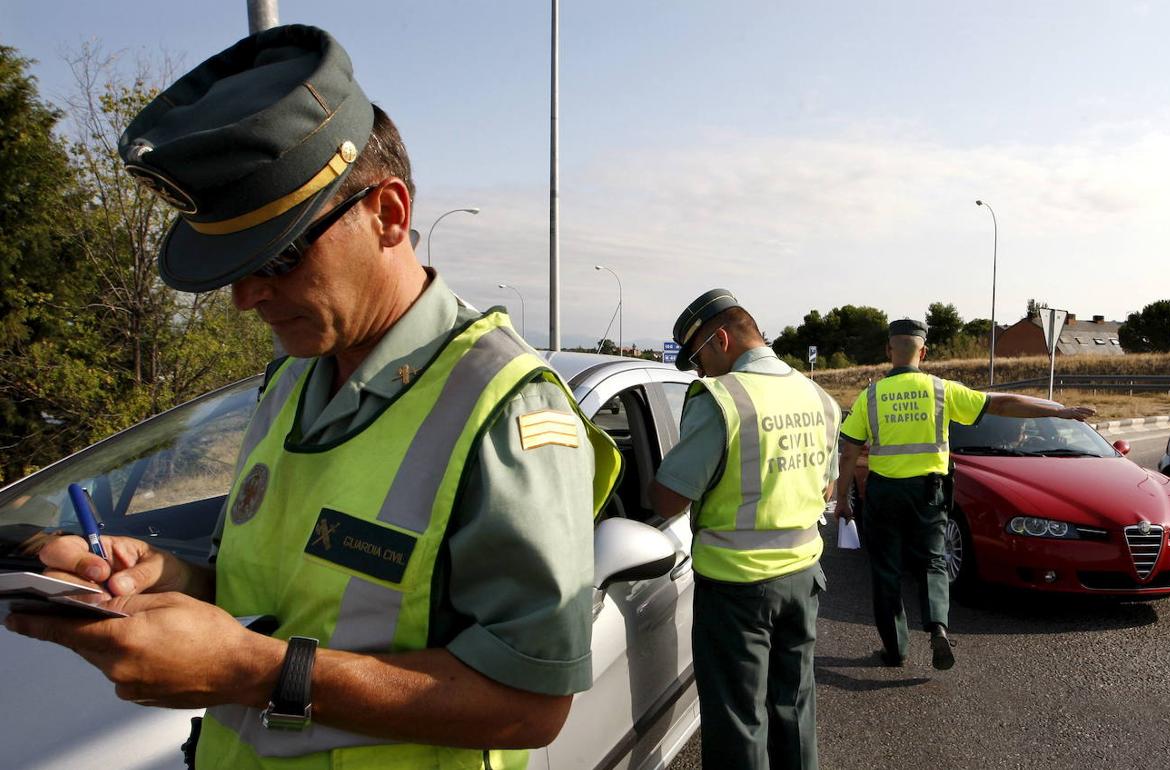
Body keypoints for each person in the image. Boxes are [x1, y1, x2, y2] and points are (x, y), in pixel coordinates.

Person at [2, 25, 621, 770]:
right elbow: (278, 594)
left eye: (280, 256)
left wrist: (252, 671)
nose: (245, 297)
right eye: (234, 265)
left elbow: (530, 706)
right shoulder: (293, 375)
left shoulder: (507, 410)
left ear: (388, 214)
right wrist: (159, 574)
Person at [648, 289, 840, 770]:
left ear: (721, 338)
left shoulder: (722, 399)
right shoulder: (818, 397)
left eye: (698, 357)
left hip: (737, 589)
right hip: (803, 579)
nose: (698, 371)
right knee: (794, 706)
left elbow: (670, 497)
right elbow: (826, 487)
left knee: (738, 720)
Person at [833, 318, 1094, 670]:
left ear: (888, 350)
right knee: (932, 561)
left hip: (885, 494)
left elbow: (849, 451)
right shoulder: (942, 390)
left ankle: (895, 650)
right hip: (929, 492)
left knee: (886, 571)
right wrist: (1059, 412)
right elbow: (1003, 403)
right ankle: (938, 627)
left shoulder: (871, 396)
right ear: (923, 352)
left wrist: (844, 500)